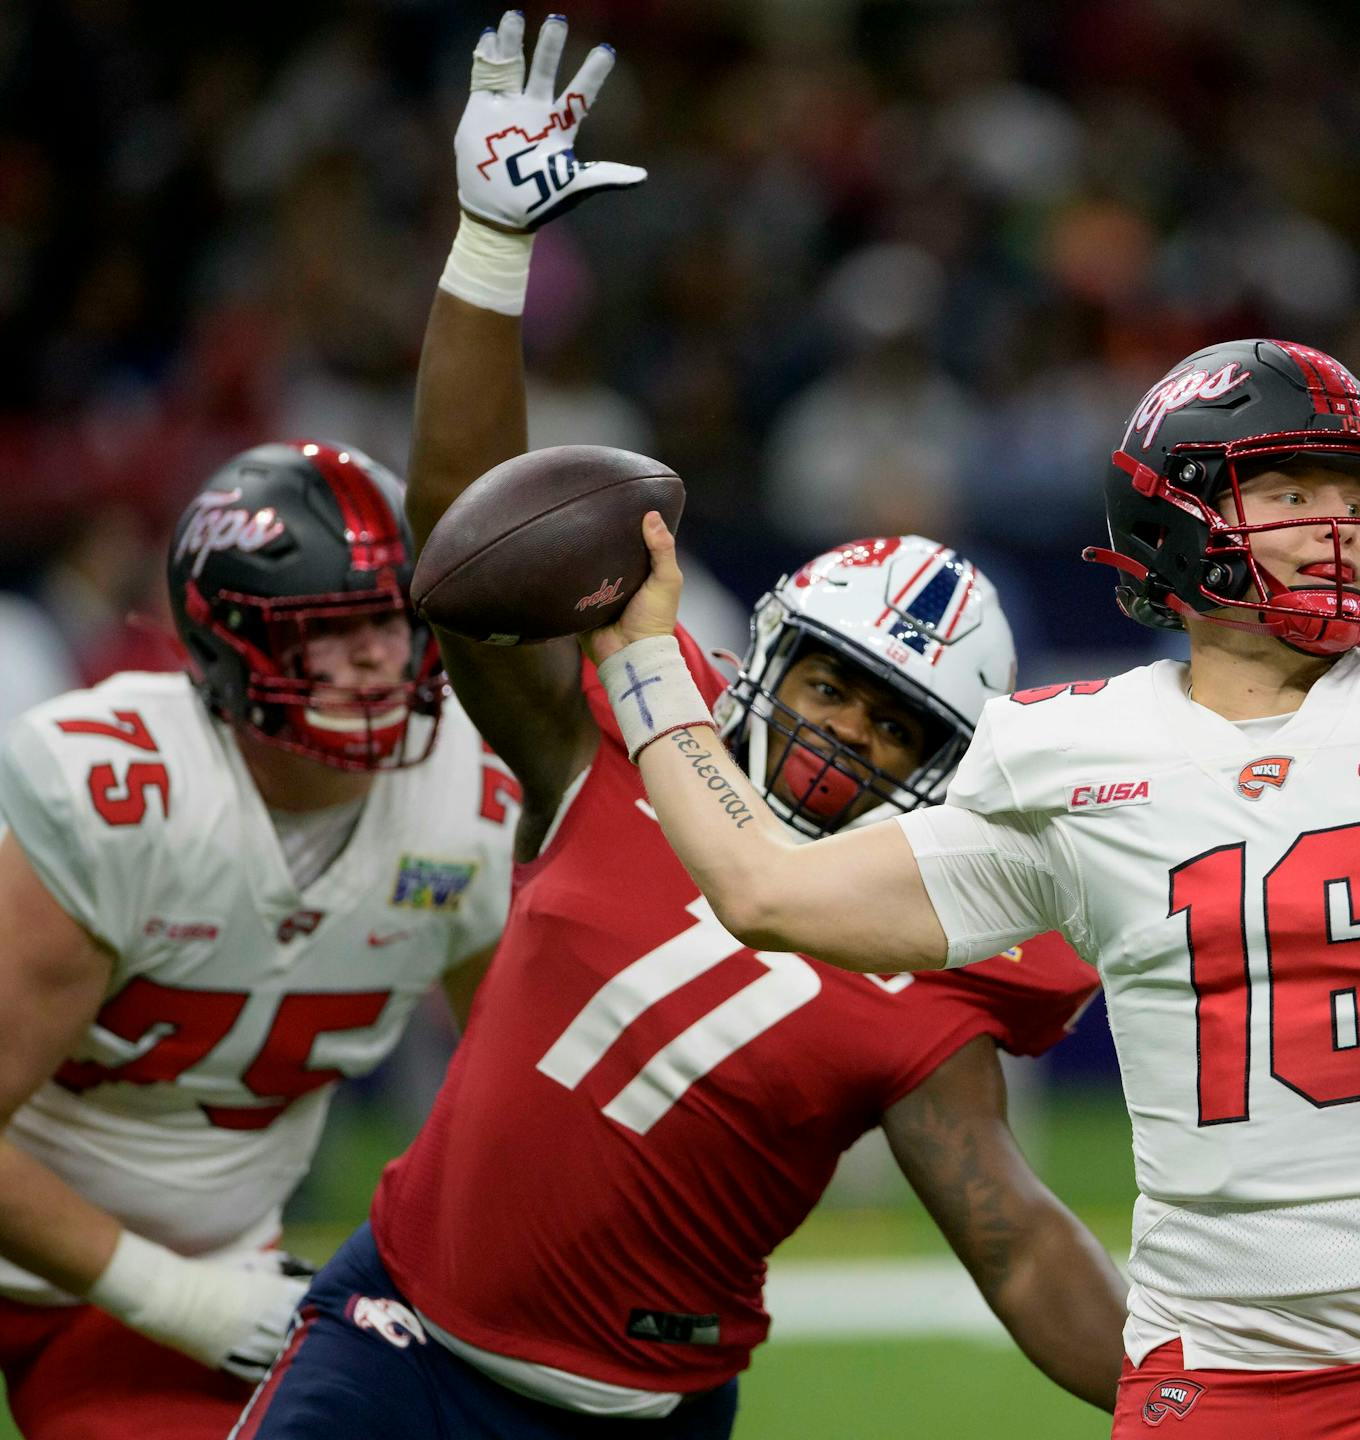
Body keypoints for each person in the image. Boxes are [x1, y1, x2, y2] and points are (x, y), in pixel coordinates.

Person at [591, 339, 1360, 1438]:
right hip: (1222, 1379)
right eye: (1288, 492)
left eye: (1356, 493)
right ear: (1175, 520)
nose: (1339, 525)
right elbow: (765, 892)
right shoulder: (1076, 758)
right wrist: (643, 655)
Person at [235, 17, 1123, 1436]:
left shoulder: (935, 934)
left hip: (647, 1411)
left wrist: (1208, 1402)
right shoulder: (620, 736)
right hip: (396, 1342)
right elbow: (462, 544)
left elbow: (1012, 1236)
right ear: (775, 662)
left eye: (898, 724)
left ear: (948, 762)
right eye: (834, 684)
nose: (848, 734)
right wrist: (486, 251)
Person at [0, 440, 516, 1439]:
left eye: (391, 619)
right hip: (155, 1283)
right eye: (331, 629)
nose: (374, 655)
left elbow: (514, 1088)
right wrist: (191, 1303)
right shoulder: (125, 794)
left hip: (194, 1278)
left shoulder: (470, 802)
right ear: (231, 644)